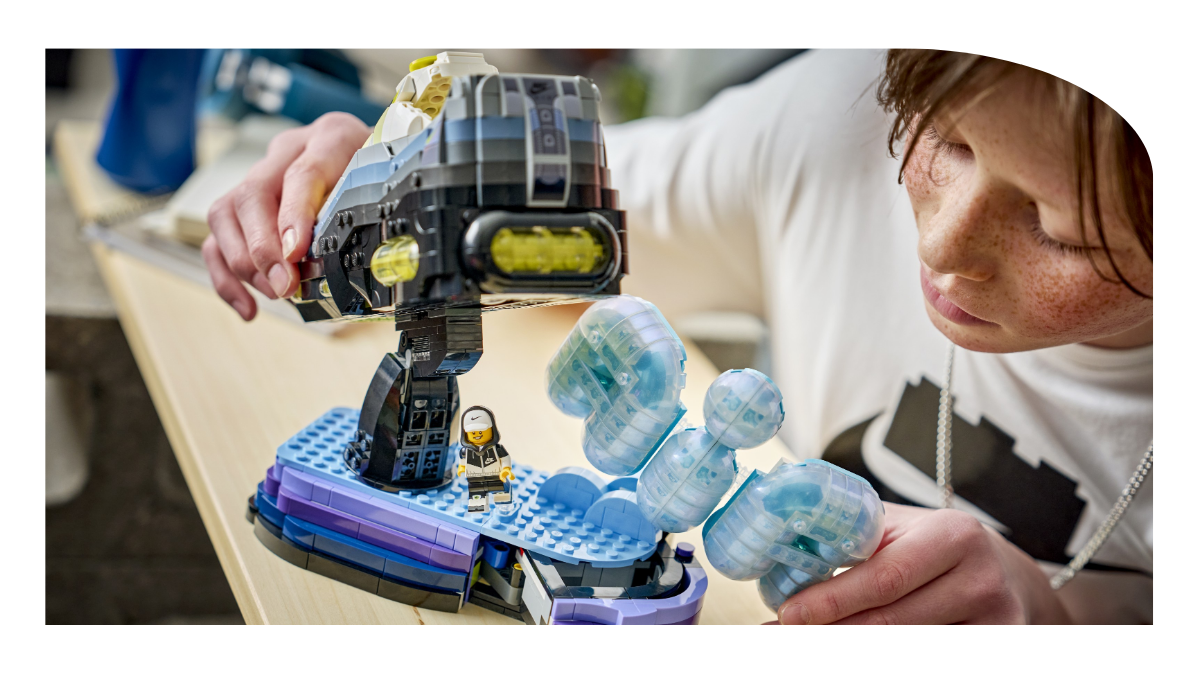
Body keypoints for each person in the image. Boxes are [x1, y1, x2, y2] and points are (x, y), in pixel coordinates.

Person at [202, 50, 1152, 624]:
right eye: (948, 143)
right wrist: (384, 168)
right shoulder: (841, 120)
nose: (942, 249)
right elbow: (555, 211)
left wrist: (1063, 626)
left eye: (1061, 230)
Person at [457, 406, 514, 512]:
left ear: (492, 430)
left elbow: (505, 459)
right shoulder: (465, 451)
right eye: (473, 433)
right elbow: (463, 461)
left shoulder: (497, 449)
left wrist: (506, 469)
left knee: (501, 494)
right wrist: (462, 467)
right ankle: (479, 509)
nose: (477, 436)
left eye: (481, 432)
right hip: (475, 479)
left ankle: (504, 508)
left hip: (496, 476)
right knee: (477, 498)